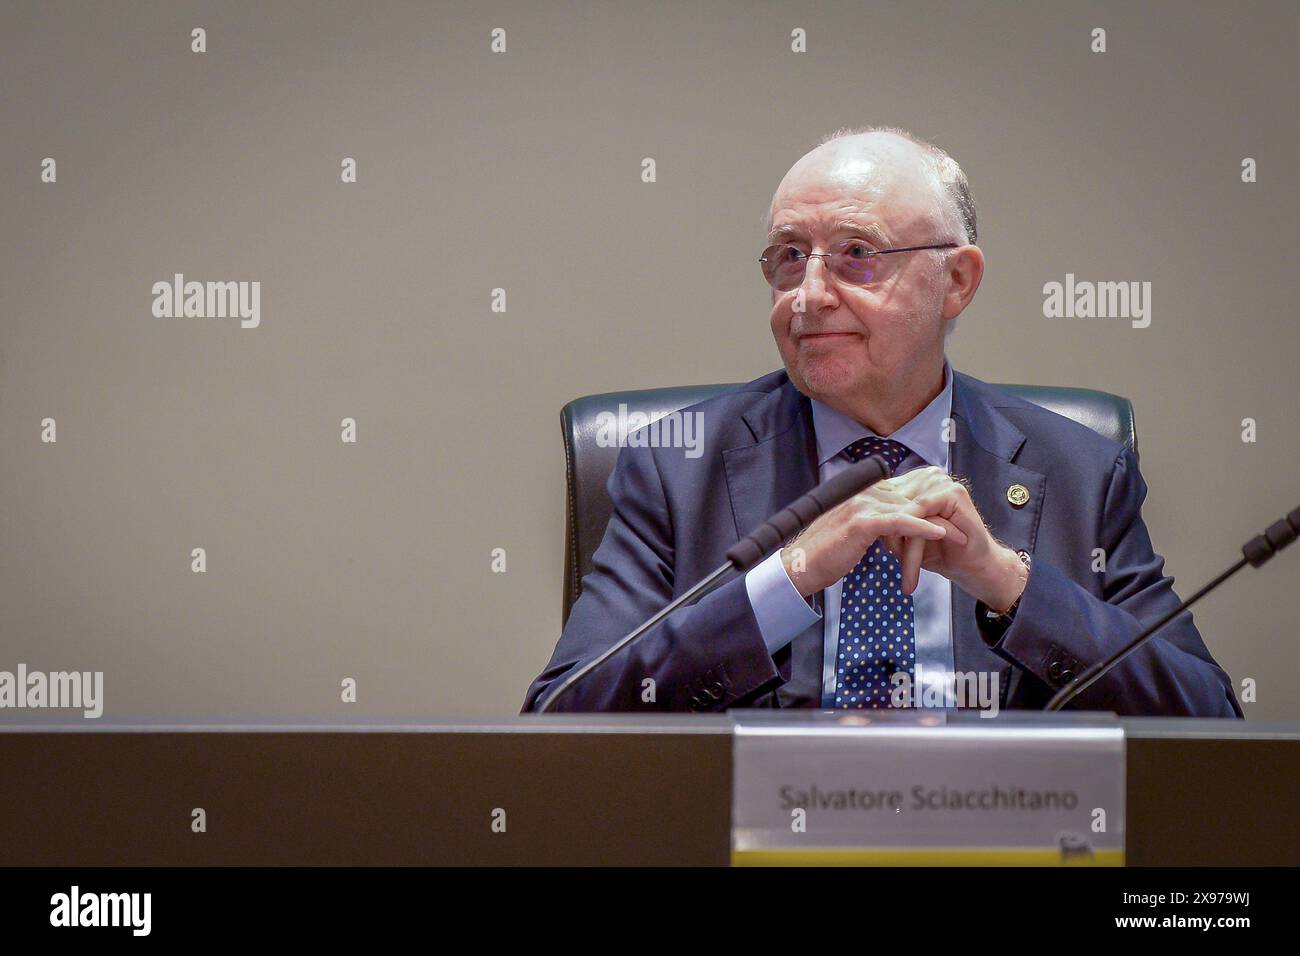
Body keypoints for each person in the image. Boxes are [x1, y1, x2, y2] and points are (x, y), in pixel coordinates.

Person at [523, 126, 1241, 717]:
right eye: (788, 257)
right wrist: (788, 579)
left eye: (856, 256)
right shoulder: (676, 467)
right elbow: (563, 714)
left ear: (955, 281)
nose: (807, 296)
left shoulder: (1079, 469)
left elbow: (1209, 721)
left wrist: (1008, 584)